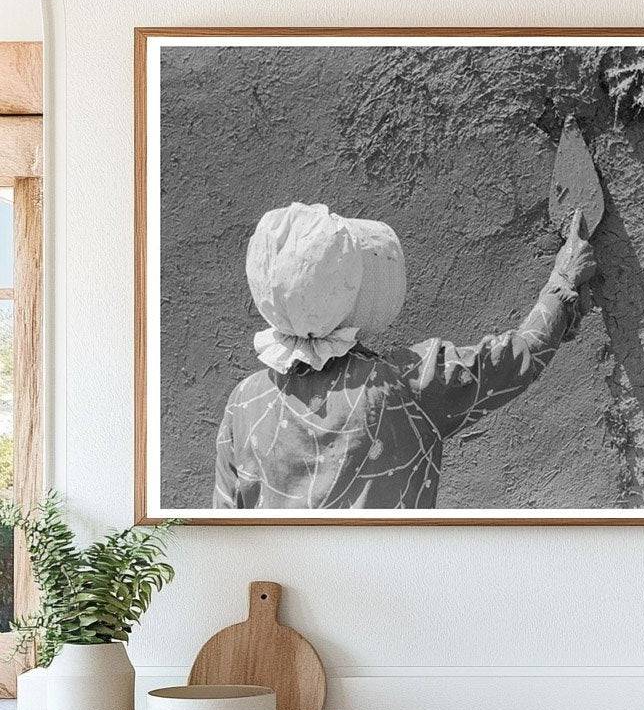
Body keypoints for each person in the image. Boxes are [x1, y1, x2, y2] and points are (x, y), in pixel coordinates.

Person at [213, 201, 598, 509]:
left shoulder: (243, 401)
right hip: (391, 597)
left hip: (289, 600)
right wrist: (562, 285)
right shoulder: (405, 384)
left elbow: (226, 528)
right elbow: (518, 358)